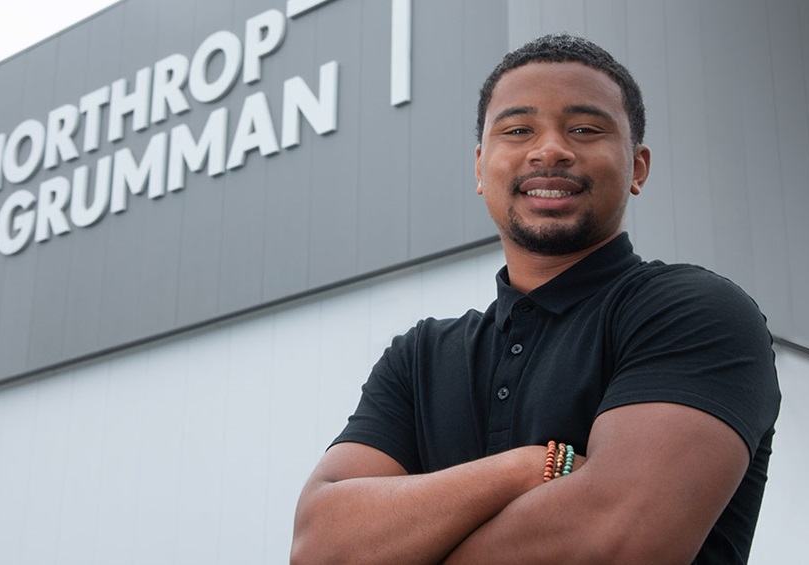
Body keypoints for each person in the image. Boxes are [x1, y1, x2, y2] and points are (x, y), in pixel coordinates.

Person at [290, 33, 780, 564]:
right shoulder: (419, 358)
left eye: (585, 129)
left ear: (637, 167)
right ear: (480, 167)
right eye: (519, 129)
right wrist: (531, 466)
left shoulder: (691, 312)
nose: (550, 150)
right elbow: (320, 548)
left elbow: (617, 543)